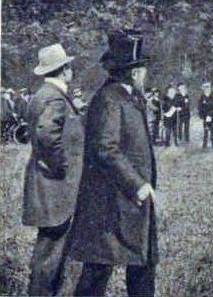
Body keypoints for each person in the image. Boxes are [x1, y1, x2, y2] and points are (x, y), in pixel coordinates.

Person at [69, 30, 158, 297]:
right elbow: (106, 149)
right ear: (133, 73)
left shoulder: (127, 97)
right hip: (110, 200)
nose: (145, 74)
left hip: (130, 199)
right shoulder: (109, 99)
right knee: (98, 268)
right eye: (143, 69)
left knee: (143, 262)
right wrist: (137, 184)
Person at [21, 43, 84, 296]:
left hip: (48, 185)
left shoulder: (43, 94)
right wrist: (63, 168)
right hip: (55, 188)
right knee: (51, 253)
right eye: (69, 66)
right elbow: (47, 134)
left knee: (49, 250)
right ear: (64, 70)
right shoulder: (55, 98)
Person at [198, 82, 213, 148]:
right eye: (206, 88)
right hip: (205, 117)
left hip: (212, 116)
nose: (207, 89)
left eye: (208, 88)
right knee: (206, 130)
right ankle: (205, 144)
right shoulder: (202, 97)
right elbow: (200, 107)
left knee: (212, 130)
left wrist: (211, 114)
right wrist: (202, 115)